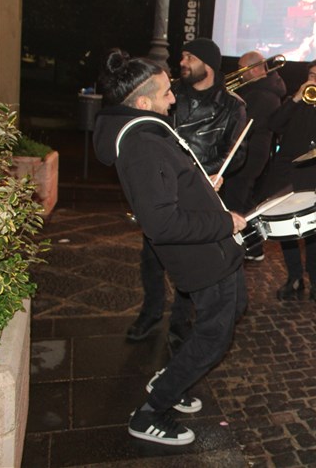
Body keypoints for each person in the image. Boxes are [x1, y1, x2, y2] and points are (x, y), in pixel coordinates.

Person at [93, 49, 248, 445]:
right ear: (143, 102)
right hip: (202, 256)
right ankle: (150, 413)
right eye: (165, 93)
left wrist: (199, 185)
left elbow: (170, 188)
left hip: (211, 252)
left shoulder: (146, 133)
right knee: (214, 339)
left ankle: (172, 379)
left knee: (230, 315)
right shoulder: (143, 144)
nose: (173, 98)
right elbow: (161, 223)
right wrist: (223, 220)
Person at [125, 38, 248, 348]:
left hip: (202, 197)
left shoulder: (233, 105)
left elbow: (238, 151)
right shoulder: (169, 94)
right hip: (165, 188)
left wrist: (213, 173)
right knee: (151, 259)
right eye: (183, 55)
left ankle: (180, 325)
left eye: (190, 57)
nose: (183, 61)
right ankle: (150, 312)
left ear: (208, 64)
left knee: (192, 263)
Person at [261, 59, 316, 303]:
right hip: (286, 173)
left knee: (313, 234)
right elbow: (273, 123)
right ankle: (294, 278)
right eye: (312, 75)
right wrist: (295, 99)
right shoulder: (295, 102)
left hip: (313, 174)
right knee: (286, 233)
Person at [222, 51, 287, 261]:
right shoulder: (260, 89)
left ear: (257, 68)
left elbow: (245, 125)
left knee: (237, 201)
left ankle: (245, 247)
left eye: (243, 69)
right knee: (244, 201)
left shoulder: (265, 94)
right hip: (249, 154)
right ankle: (253, 246)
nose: (239, 74)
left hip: (249, 156)